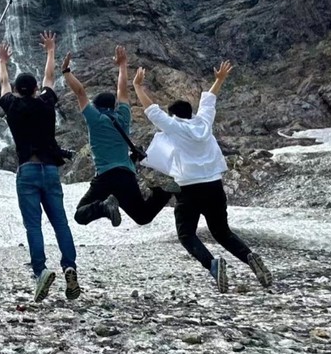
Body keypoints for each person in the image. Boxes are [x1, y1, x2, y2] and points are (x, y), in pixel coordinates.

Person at [133, 61, 273, 293]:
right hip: (214, 185)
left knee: (187, 234)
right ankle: (249, 257)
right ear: (190, 113)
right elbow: (209, 101)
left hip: (189, 188)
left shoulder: (174, 126)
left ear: (173, 115)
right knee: (222, 232)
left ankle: (212, 264)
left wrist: (138, 86)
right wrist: (219, 79)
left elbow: (152, 111)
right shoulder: (204, 123)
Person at [0, 32, 80, 302]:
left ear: (16, 90)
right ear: (35, 89)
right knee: (60, 223)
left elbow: (3, 83)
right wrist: (51, 51)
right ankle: (69, 266)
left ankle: (41, 272)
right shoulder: (46, 103)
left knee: (33, 226)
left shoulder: (11, 106)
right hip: (51, 170)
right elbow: (50, 79)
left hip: (27, 170)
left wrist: (2, 61)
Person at [63, 46, 171, 227]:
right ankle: (164, 193)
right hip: (126, 175)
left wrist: (66, 72)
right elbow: (122, 91)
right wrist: (122, 65)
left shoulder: (95, 119)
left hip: (105, 176)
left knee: (80, 215)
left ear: (96, 107)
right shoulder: (123, 116)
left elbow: (80, 92)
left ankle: (104, 207)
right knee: (143, 217)